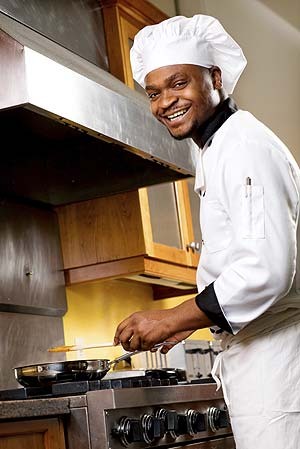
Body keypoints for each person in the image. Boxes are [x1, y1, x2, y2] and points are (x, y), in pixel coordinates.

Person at [114, 14, 300, 448]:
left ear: (215, 77)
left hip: (279, 361)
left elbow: (266, 271)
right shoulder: (217, 149)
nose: (165, 102)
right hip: (261, 360)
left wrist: (170, 319)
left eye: (179, 83)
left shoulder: (243, 146)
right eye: (154, 92)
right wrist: (193, 322)